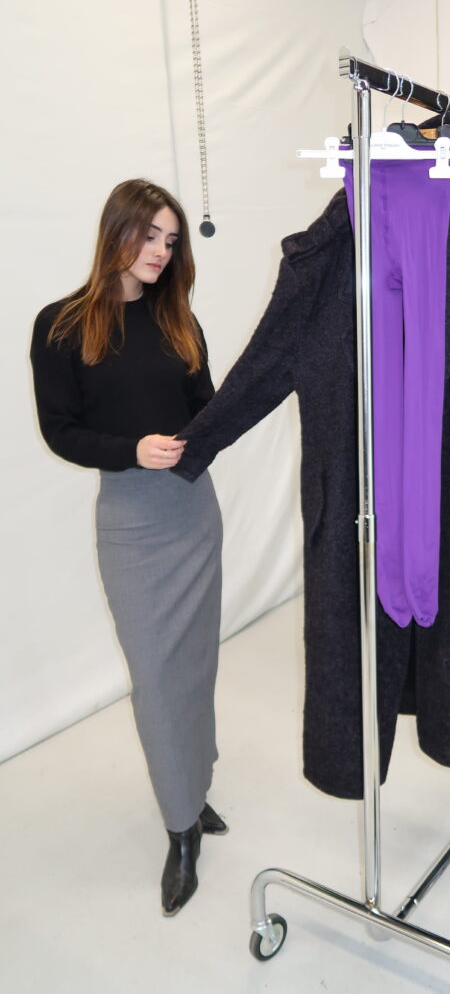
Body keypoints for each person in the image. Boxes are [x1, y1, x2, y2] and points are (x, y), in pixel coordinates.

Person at [30, 179, 226, 917]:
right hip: (132, 522)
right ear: (117, 230)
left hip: (192, 513)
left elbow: (206, 406)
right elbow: (61, 431)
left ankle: (193, 791)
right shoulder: (61, 325)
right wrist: (131, 450)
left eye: (171, 241)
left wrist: (201, 436)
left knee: (195, 666)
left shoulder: (179, 319)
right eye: (150, 235)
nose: (161, 251)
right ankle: (180, 828)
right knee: (155, 677)